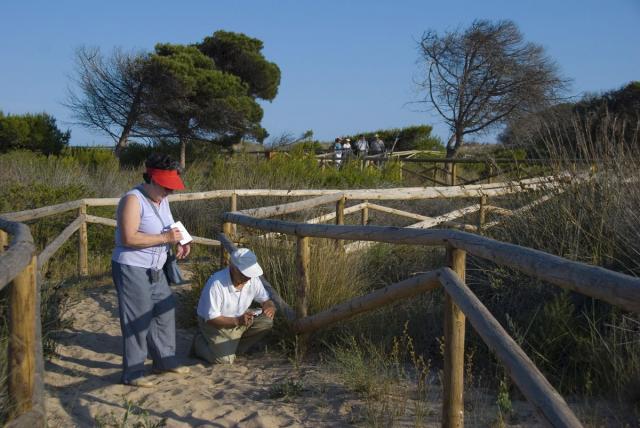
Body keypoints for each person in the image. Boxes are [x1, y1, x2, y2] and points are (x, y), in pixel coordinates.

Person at [111, 153, 191, 387]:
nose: (170, 192)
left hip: (156, 267)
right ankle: (133, 373)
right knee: (137, 320)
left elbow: (170, 225)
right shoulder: (133, 200)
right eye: (167, 187)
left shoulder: (162, 199)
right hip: (132, 267)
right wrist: (165, 237)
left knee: (165, 312)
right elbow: (128, 238)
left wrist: (180, 242)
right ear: (153, 180)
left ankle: (164, 361)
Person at [192, 248, 276, 364]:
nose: (248, 278)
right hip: (216, 325)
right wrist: (237, 321)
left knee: (266, 321)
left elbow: (266, 300)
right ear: (232, 267)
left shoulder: (253, 279)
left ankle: (234, 348)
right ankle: (199, 343)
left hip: (240, 319)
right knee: (224, 361)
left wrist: (269, 306)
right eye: (245, 273)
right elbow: (211, 319)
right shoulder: (216, 284)